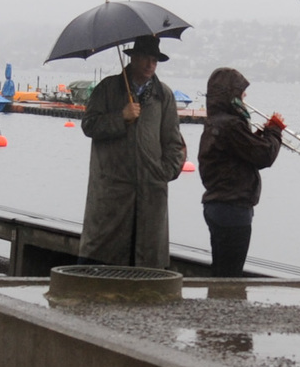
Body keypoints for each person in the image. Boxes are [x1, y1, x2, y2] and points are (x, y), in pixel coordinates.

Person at [79, 37, 186, 268]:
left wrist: (163, 173)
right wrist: (121, 117)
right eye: (146, 58)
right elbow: (89, 125)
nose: (150, 64)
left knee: (148, 266)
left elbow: (174, 143)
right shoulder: (107, 89)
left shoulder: (163, 95)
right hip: (112, 194)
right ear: (133, 58)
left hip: (151, 194)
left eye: (155, 60)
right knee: (103, 262)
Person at [195, 68, 284, 277]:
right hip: (232, 208)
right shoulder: (231, 125)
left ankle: (217, 305)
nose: (245, 98)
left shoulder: (216, 122)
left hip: (218, 205)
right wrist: (275, 131)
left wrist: (261, 134)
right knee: (230, 274)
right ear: (231, 95)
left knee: (221, 269)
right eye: (241, 93)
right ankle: (225, 306)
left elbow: (241, 152)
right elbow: (264, 156)